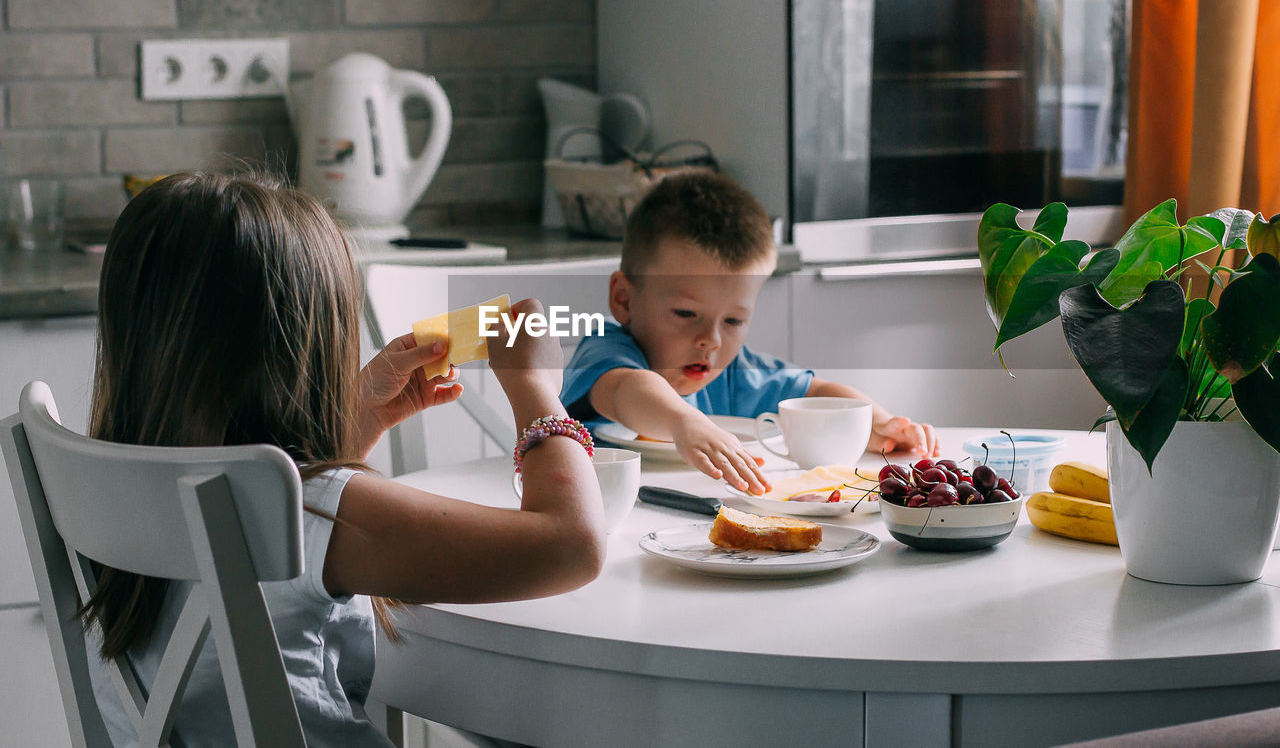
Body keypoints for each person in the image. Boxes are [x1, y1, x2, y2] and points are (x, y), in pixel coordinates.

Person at [82, 170, 605, 747]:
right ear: (309, 346)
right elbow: (571, 546)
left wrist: (361, 417)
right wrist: (536, 388)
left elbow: (280, 558)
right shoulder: (308, 508)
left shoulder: (113, 483)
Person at [561, 171, 939, 496]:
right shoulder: (606, 350)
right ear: (624, 299)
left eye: (733, 321)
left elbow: (817, 394)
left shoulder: (732, 373)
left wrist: (881, 424)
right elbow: (628, 390)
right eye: (686, 313)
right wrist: (684, 423)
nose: (711, 340)